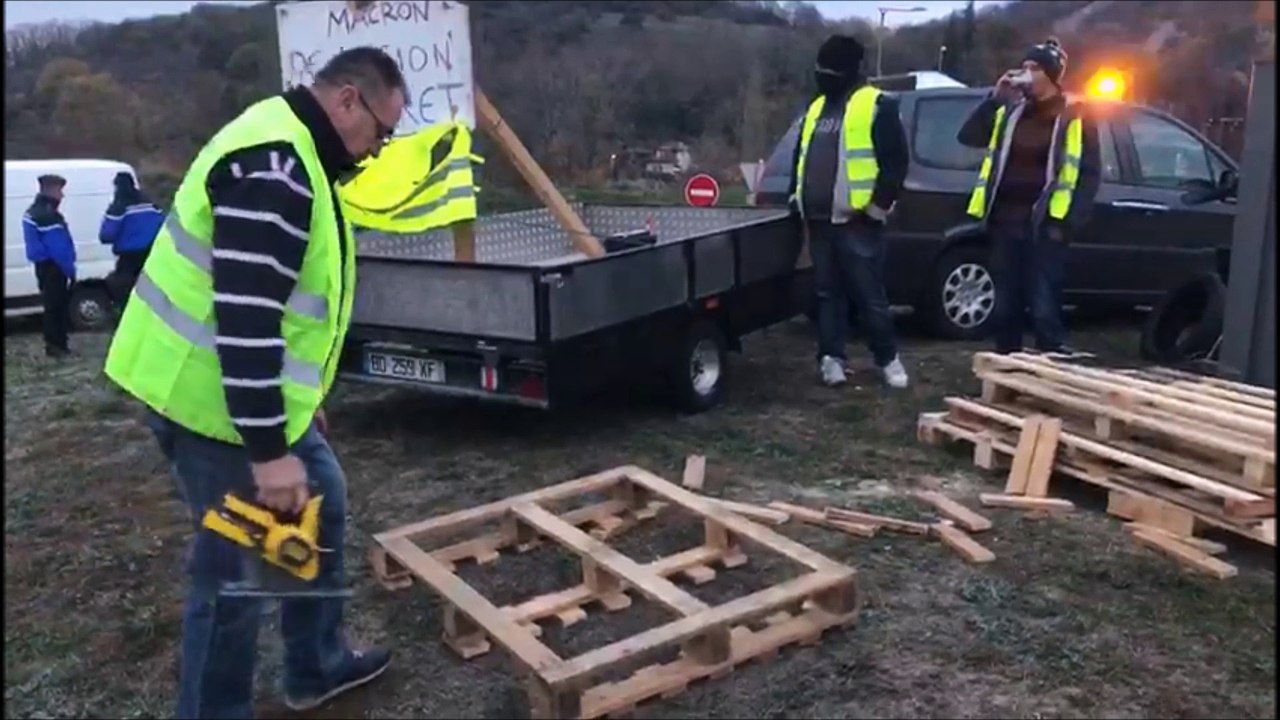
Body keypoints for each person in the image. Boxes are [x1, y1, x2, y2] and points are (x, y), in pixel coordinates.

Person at [103, 47, 476, 719]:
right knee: (234, 580)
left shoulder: (297, 144)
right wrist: (269, 450)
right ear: (346, 102)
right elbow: (247, 322)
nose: (377, 149)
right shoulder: (279, 169)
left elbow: (287, 302)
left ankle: (315, 663)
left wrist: (300, 405)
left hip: (246, 398)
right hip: (208, 405)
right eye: (381, 131)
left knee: (322, 497)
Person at [957, 37, 1101, 355]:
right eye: (1024, 66)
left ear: (1050, 75)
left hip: (1045, 224)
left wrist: (1068, 221)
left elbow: (1089, 174)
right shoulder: (1011, 111)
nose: (1025, 72)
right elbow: (968, 137)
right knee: (1005, 305)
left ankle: (1049, 372)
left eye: (1034, 67)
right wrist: (994, 99)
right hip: (1005, 221)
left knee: (1042, 306)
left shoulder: (1073, 115)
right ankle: (1006, 369)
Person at [788, 34, 910, 388]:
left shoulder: (877, 105)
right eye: (818, 68)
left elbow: (895, 162)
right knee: (827, 294)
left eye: (827, 69)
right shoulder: (816, 107)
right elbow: (801, 158)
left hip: (857, 222)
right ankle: (831, 358)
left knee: (870, 296)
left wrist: (876, 209)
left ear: (849, 69)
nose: (821, 75)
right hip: (819, 220)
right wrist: (794, 197)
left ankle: (887, 359)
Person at [22, 174, 77, 357]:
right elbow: (59, 247)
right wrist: (70, 269)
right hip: (54, 266)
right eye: (59, 191)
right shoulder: (48, 215)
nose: (62, 195)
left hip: (43, 266)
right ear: (50, 190)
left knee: (51, 306)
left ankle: (56, 345)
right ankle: (57, 346)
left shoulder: (34, 211)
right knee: (56, 307)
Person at [99, 171, 163, 310]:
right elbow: (162, 225)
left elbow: (107, 234)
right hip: (151, 253)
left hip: (128, 258)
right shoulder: (150, 204)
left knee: (124, 292)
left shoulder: (119, 206)